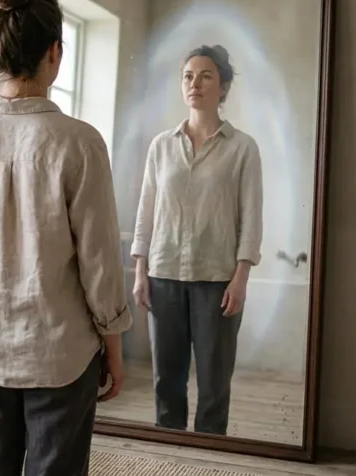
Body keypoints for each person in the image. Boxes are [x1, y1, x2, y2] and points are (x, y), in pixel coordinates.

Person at [0, 0, 132, 476]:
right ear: (54, 54)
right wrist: (114, 345)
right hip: (59, 355)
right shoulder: (79, 142)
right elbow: (101, 261)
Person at [130, 45, 263, 435]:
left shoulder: (242, 148)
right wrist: (141, 271)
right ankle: (170, 457)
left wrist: (241, 278)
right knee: (165, 381)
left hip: (217, 280)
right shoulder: (161, 146)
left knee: (214, 384)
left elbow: (251, 218)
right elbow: (146, 212)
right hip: (164, 275)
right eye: (188, 76)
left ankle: (208, 459)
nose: (195, 83)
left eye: (206, 76)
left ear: (223, 87)